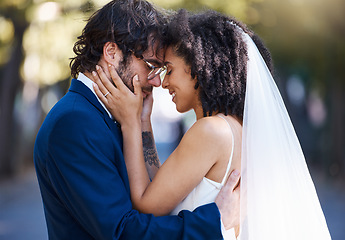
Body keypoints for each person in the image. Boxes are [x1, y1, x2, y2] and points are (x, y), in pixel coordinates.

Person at [93, 9, 331, 240]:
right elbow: (162, 188)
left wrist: (130, 123)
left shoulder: (210, 131)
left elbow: (148, 206)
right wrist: (144, 120)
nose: (163, 83)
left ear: (198, 69)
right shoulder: (236, 129)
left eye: (170, 70)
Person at [33, 1, 241, 240]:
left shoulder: (113, 114)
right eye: (150, 65)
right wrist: (215, 222)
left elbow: (156, 193)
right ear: (112, 53)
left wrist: (141, 121)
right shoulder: (73, 123)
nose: (155, 82)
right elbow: (122, 231)